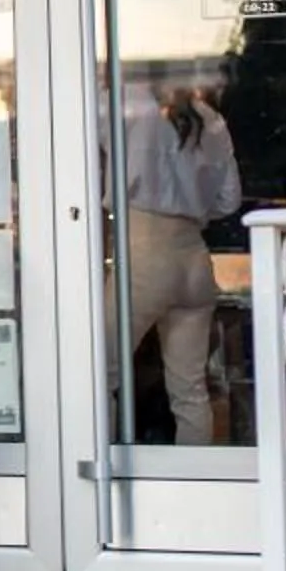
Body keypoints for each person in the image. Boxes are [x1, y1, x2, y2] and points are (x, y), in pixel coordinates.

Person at [116, 76, 241, 446]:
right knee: (190, 391)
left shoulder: (128, 103)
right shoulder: (213, 122)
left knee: (98, 373)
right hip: (193, 256)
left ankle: (95, 480)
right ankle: (199, 484)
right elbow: (228, 201)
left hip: (144, 251)